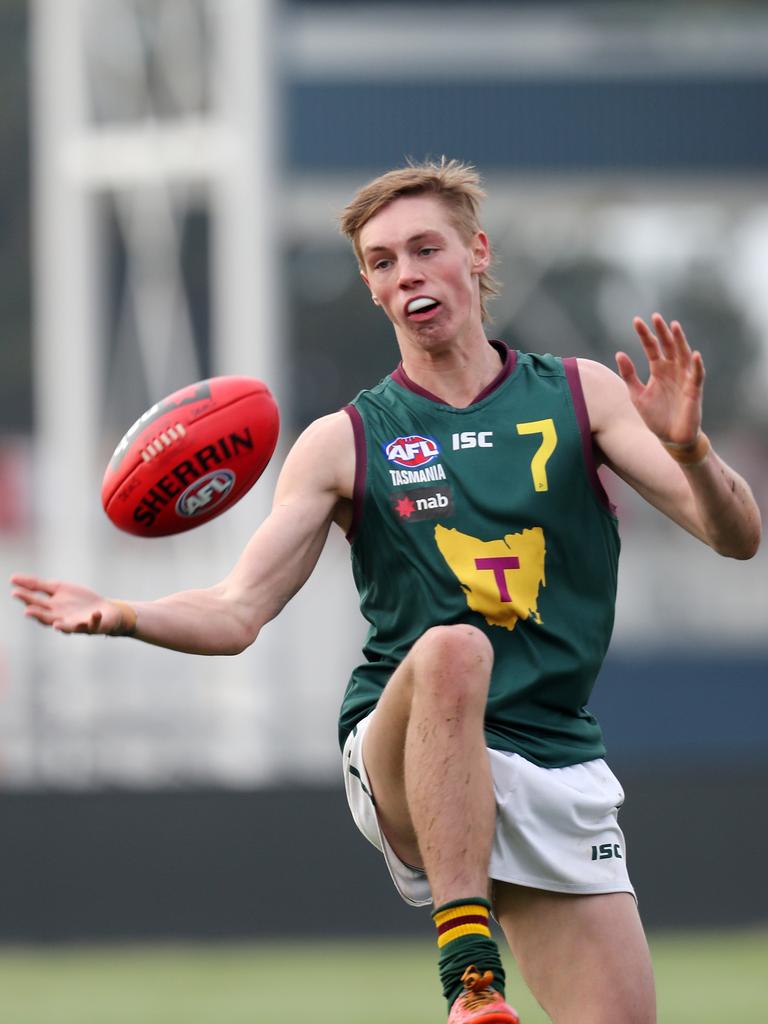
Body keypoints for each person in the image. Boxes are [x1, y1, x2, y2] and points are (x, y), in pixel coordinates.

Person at [11, 159, 761, 1024]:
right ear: (371, 288)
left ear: (476, 253)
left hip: (554, 750)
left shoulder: (580, 394)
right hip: (408, 744)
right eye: (380, 261)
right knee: (452, 647)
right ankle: (470, 977)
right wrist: (127, 616)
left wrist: (695, 451)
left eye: (424, 249)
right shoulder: (345, 441)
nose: (405, 273)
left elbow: (736, 538)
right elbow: (237, 612)